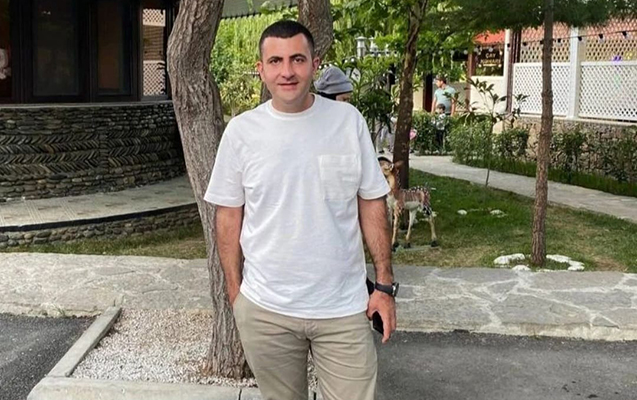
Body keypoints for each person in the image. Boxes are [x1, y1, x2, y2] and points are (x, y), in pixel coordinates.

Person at [204, 20, 398, 400]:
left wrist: (384, 286)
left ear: (315, 63)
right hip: (266, 309)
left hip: (343, 308)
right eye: (275, 61)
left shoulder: (348, 123)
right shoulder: (241, 132)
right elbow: (228, 216)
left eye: (297, 59)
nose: (287, 71)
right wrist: (236, 294)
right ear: (261, 70)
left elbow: (372, 202)